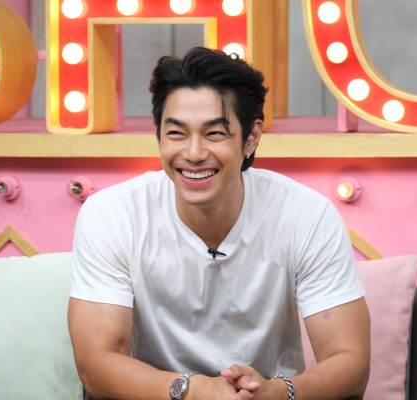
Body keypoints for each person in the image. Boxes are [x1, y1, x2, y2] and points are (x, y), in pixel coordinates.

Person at [68, 47, 370, 400]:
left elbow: (350, 362)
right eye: (176, 133)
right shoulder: (112, 214)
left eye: (214, 134)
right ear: (159, 135)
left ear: (251, 137)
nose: (194, 154)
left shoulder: (306, 214)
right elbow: (96, 366)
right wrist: (195, 391)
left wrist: (276, 393)